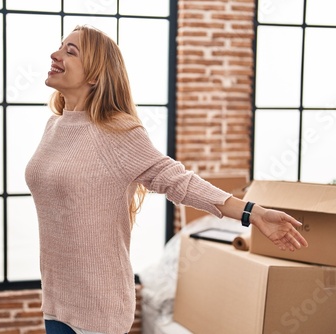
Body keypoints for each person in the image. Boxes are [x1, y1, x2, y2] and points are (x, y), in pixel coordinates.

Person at [25, 25, 308, 334]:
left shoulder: (118, 133)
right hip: (56, 297)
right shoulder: (54, 127)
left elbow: (178, 181)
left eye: (70, 51)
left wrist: (252, 211)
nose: (55, 54)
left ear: (94, 75)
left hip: (98, 307)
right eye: (60, 46)